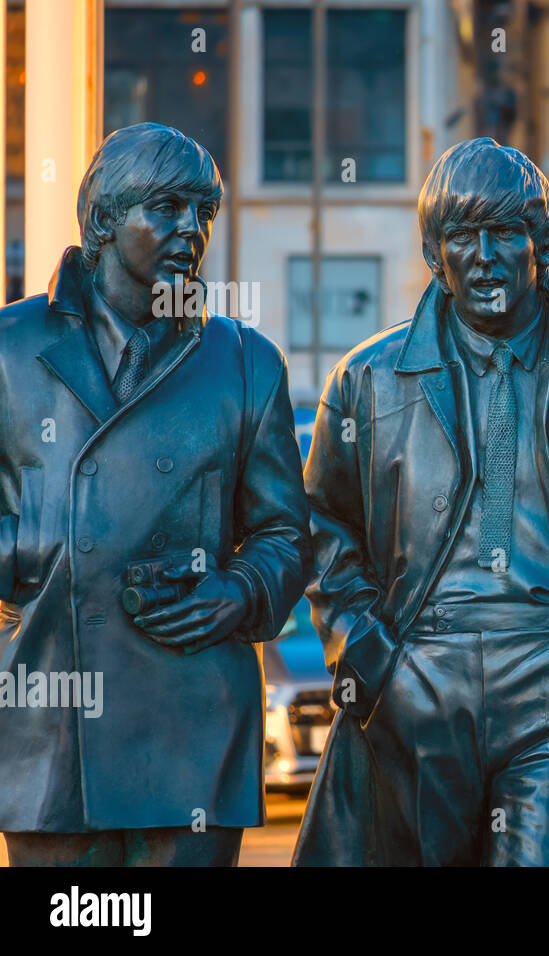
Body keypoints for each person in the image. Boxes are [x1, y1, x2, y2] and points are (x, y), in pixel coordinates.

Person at [292, 138, 549, 866]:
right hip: (419, 670)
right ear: (434, 253)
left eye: (506, 232)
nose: (484, 255)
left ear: (544, 245)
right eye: (461, 236)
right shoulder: (367, 381)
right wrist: (374, 662)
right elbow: (323, 534)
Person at [0, 123, 311, 866]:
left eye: (203, 213)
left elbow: (287, 536)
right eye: (166, 209)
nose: (190, 231)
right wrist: (28, 549)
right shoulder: (10, 349)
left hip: (192, 727)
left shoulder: (243, 362)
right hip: (51, 725)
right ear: (105, 220)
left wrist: (240, 592)